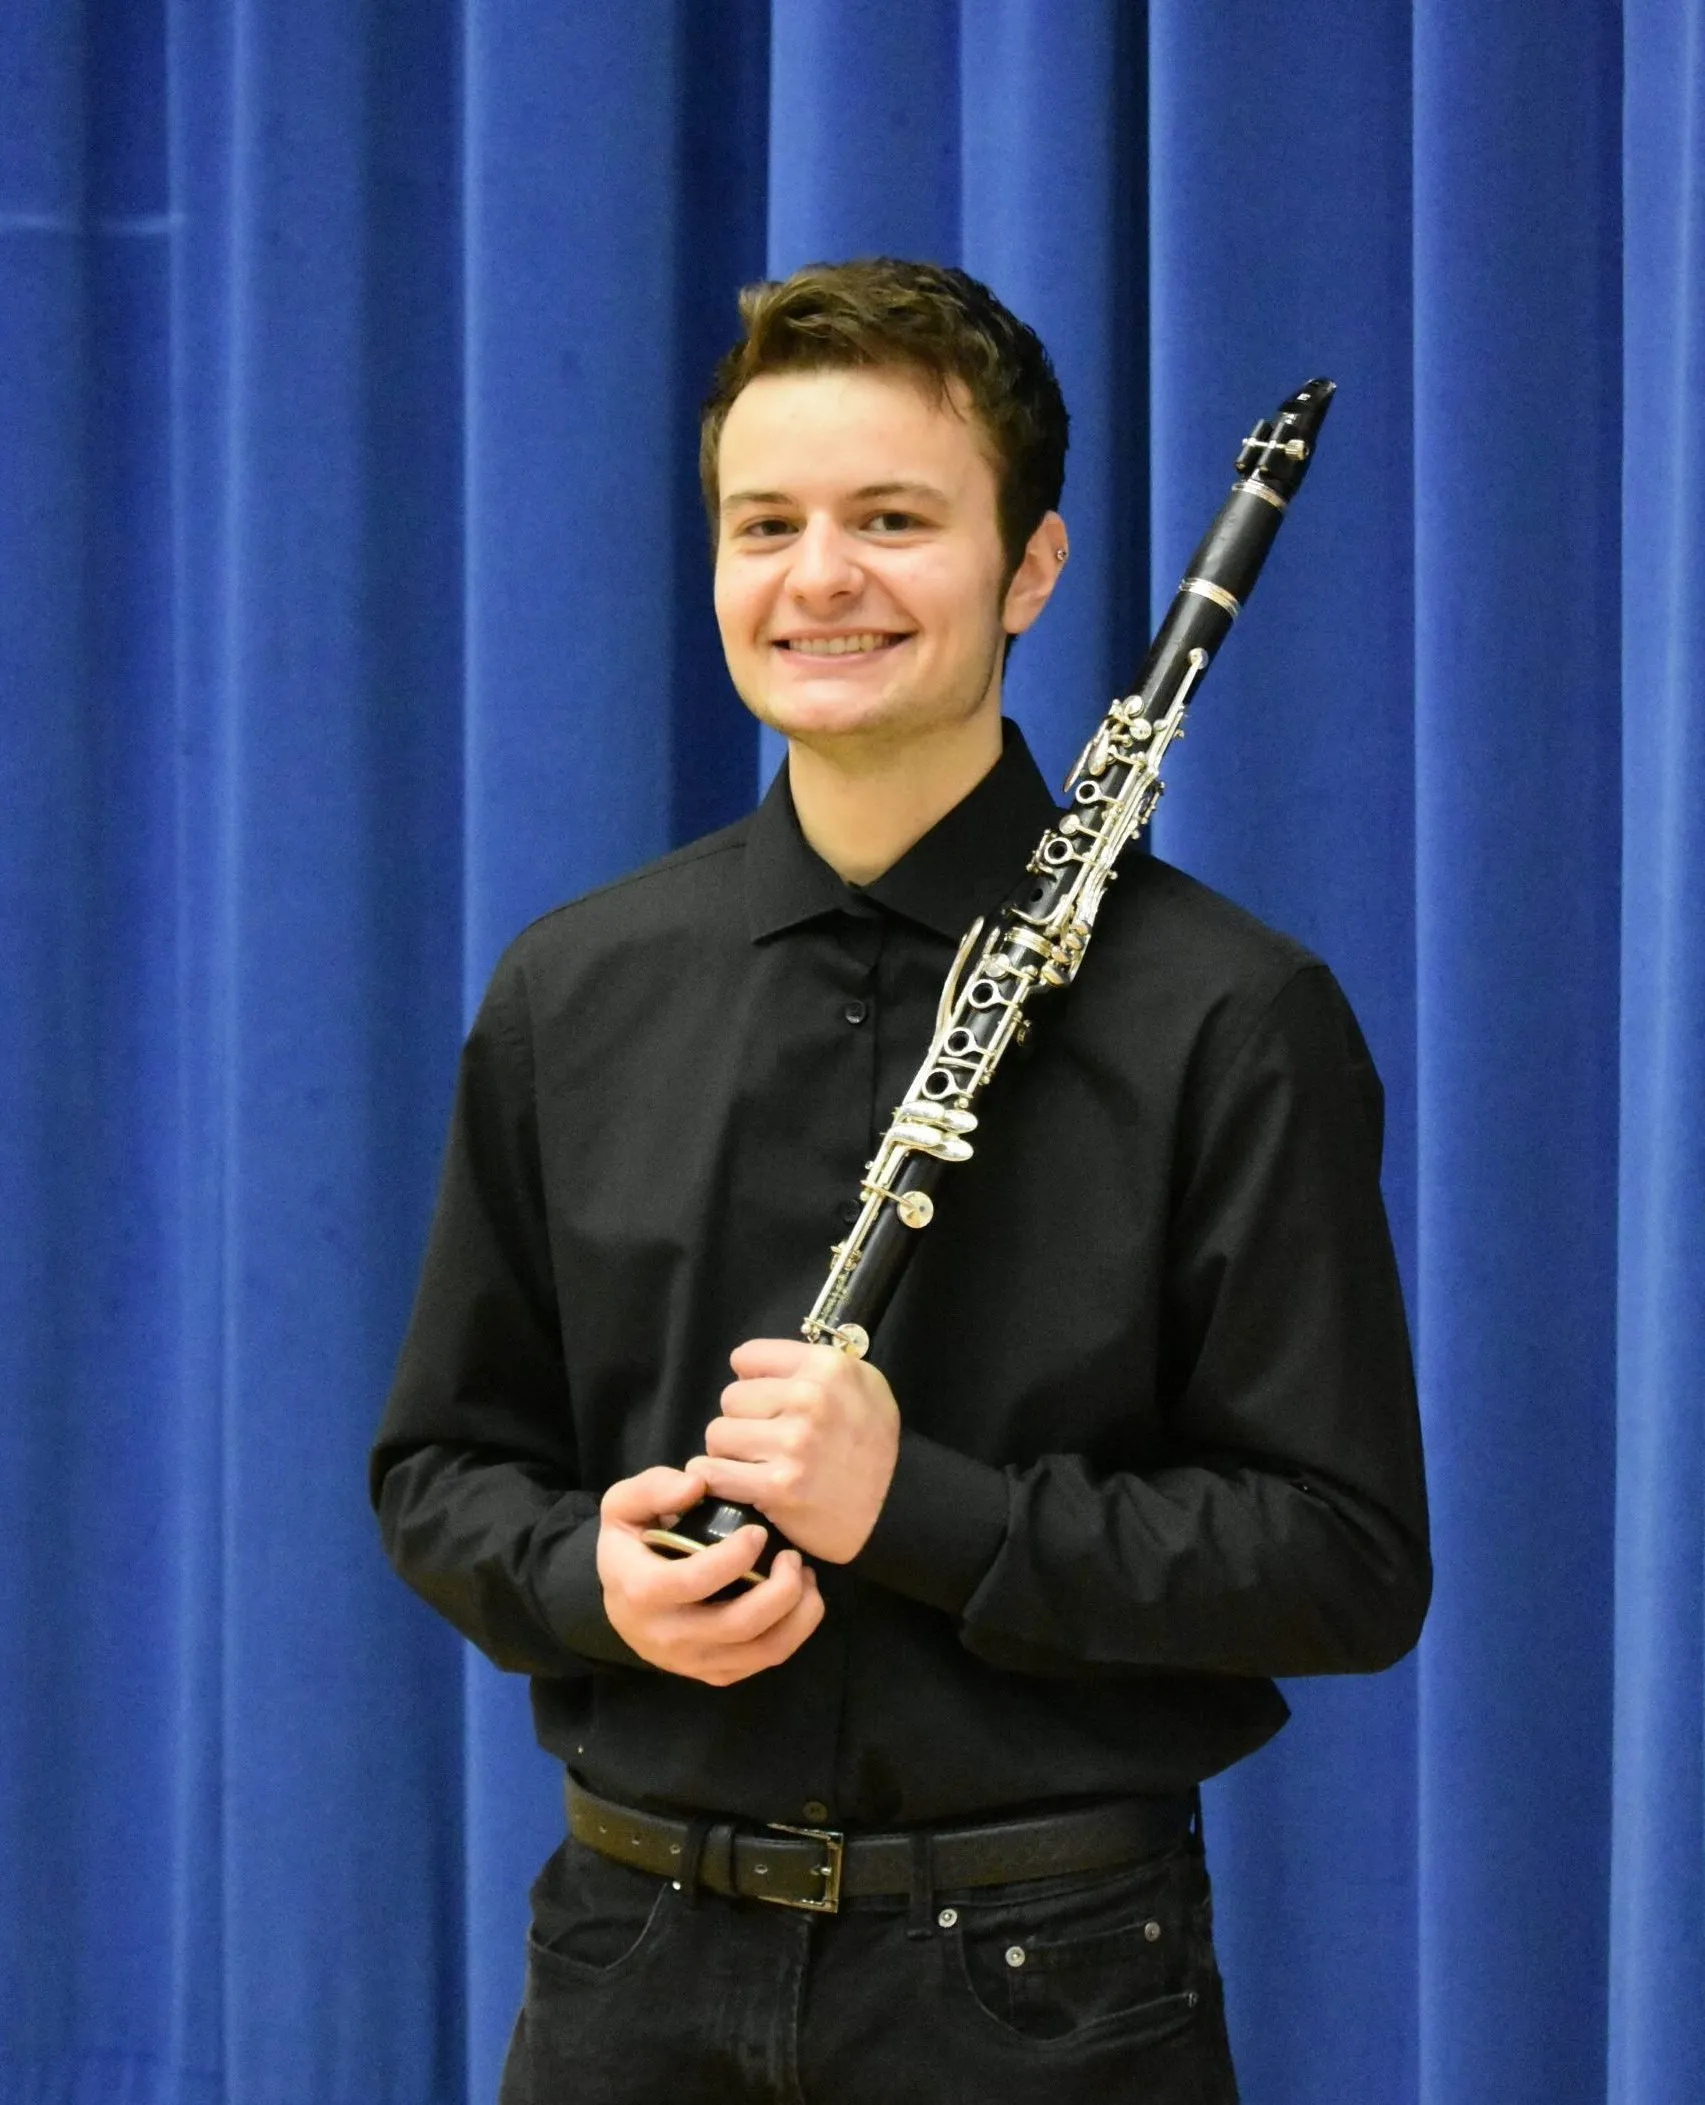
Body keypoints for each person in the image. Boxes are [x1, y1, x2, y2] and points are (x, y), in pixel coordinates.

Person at [370, 258, 1429, 2105]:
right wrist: (582, 1580)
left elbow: (1340, 1568)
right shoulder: (575, 987)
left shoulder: (1232, 1016)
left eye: (894, 519)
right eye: (764, 522)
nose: (820, 577)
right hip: (631, 1968)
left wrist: (917, 1512)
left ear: (1030, 569)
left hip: (1048, 1992)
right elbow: (441, 1469)